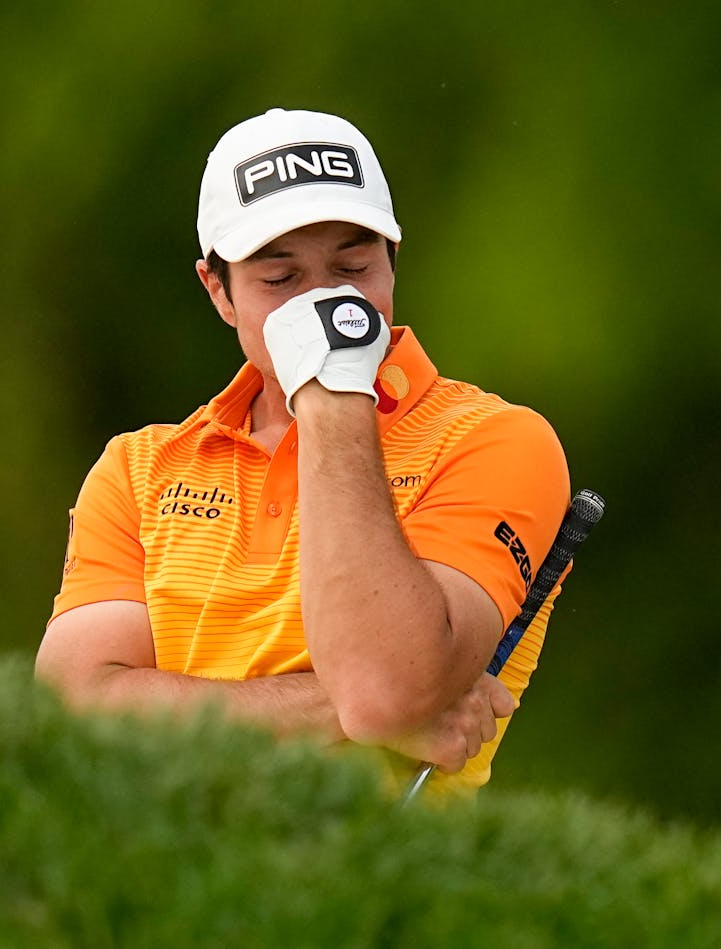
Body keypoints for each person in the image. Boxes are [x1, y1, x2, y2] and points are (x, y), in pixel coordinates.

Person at [35, 108, 571, 796]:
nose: (322, 304)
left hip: (377, 889)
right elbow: (70, 708)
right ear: (218, 291)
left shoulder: (493, 441)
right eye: (280, 280)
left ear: (393, 262)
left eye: (352, 266)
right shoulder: (138, 469)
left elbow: (380, 687)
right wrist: (339, 711)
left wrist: (329, 396)